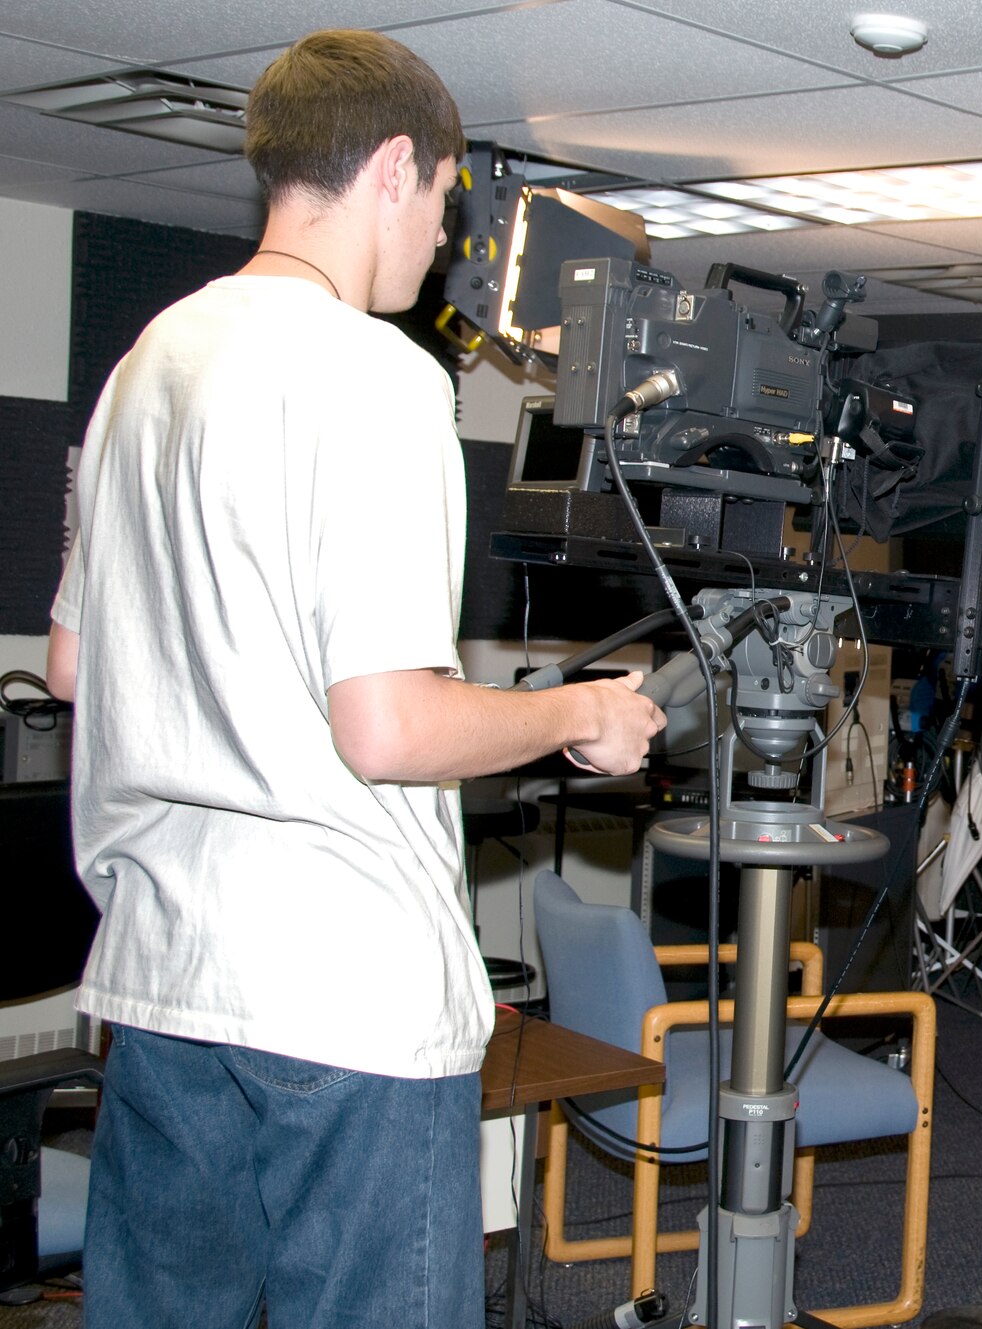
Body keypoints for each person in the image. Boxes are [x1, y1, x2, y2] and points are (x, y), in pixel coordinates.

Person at [45, 29, 665, 1328]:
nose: (442, 239)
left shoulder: (144, 365)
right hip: (344, 1010)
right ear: (395, 165)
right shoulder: (374, 375)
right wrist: (580, 715)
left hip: (164, 981)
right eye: (444, 199)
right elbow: (385, 725)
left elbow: (72, 665)